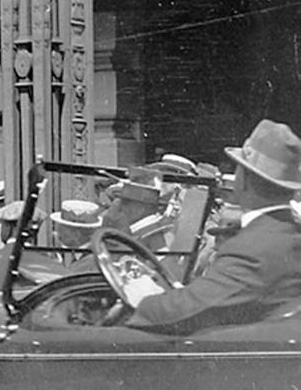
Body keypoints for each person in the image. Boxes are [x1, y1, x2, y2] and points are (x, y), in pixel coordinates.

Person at [125, 119, 301, 333]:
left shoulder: (256, 247)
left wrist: (143, 297)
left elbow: (190, 312)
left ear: (244, 179)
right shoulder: (287, 231)